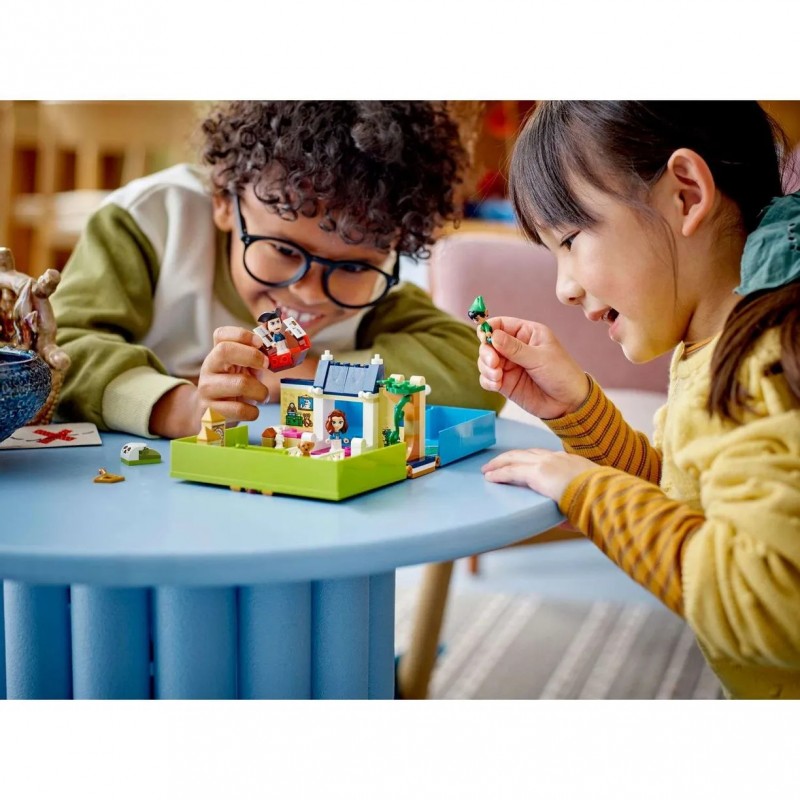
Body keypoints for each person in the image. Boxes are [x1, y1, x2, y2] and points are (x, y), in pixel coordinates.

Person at [477, 101, 800, 699]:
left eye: (570, 239)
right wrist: (577, 410)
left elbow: (768, 604)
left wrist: (588, 490)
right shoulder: (720, 344)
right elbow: (687, 501)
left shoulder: (763, 364)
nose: (563, 288)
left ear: (686, 194)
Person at [52, 101, 503, 438]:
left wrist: (305, 375)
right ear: (224, 200)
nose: (310, 293)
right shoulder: (153, 222)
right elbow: (60, 348)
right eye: (285, 251)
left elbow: (476, 372)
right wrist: (182, 409)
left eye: (351, 265)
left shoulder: (371, 291)